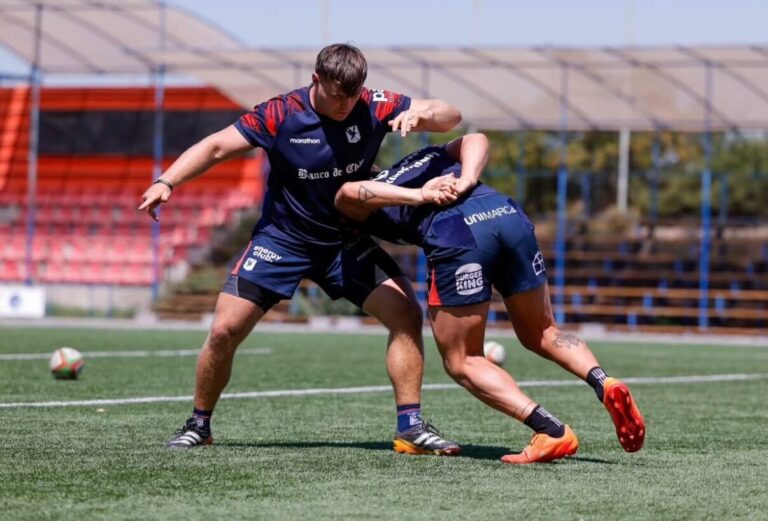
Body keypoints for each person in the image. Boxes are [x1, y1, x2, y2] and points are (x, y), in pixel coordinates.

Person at [138, 43, 463, 454]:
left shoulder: (374, 104)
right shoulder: (279, 113)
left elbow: (451, 114)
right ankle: (199, 425)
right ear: (316, 80)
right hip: (282, 239)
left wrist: (424, 114)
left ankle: (410, 427)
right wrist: (167, 181)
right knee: (223, 330)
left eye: (353, 94)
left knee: (405, 313)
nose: (346, 104)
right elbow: (217, 146)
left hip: (343, 239)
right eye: (336, 94)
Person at [334, 133, 646, 464]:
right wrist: (468, 177)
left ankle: (551, 431)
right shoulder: (422, 157)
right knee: (543, 331)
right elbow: (475, 138)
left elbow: (347, 194)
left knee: (462, 360)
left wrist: (414, 196)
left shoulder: (362, 198)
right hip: (507, 214)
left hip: (458, 234)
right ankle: (603, 381)